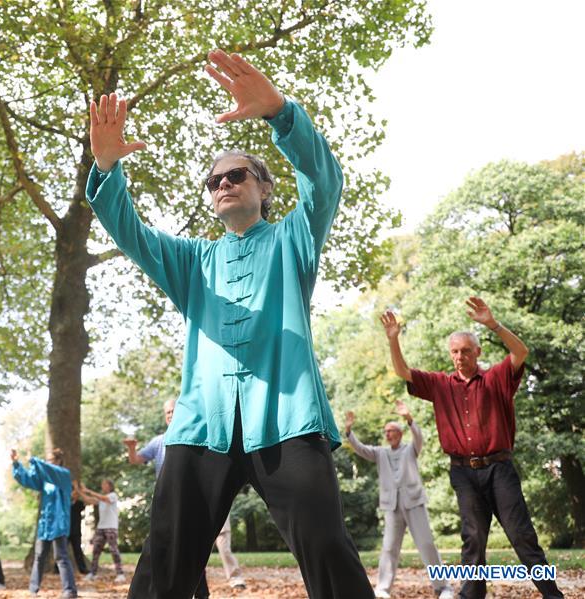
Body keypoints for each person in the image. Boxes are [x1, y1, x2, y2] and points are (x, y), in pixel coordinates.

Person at [89, 49, 372, 599]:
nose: (223, 183)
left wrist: (280, 113)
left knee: (325, 546)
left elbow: (324, 179)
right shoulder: (193, 262)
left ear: (265, 188)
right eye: (214, 179)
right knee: (165, 555)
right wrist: (106, 169)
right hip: (202, 427)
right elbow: (131, 233)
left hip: (288, 419)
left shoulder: (293, 240)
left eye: (236, 174)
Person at [381, 297, 564, 599]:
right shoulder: (440, 384)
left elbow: (521, 351)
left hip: (499, 469)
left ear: (478, 352)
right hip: (463, 472)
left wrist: (493, 324)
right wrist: (393, 340)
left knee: (521, 536)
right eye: (455, 351)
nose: (460, 356)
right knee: (473, 539)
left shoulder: (497, 378)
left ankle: (553, 595)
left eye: (466, 351)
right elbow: (403, 371)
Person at [124, 399, 245, 596]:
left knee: (204, 542)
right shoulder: (159, 441)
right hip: (170, 501)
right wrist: (131, 447)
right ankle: (194, 591)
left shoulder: (197, 434)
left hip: (198, 498)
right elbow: (136, 459)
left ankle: (219, 585)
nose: (171, 415)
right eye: (167, 412)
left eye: (174, 411)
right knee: (174, 546)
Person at [344, 401, 453, 599]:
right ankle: (383, 589)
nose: (387, 434)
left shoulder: (410, 449)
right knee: (389, 548)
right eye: (385, 431)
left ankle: (443, 587)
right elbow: (360, 449)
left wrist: (409, 418)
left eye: (391, 430)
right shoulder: (380, 453)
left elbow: (419, 437)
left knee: (427, 544)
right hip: (392, 506)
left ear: (400, 433)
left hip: (414, 502)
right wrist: (349, 431)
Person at [12, 447, 77, 598]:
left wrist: (34, 460)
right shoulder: (45, 481)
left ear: (58, 461)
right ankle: (33, 589)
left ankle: (69, 590)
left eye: (50, 460)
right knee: (39, 556)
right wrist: (16, 464)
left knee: (61, 557)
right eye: (46, 460)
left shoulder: (64, 476)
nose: (47, 463)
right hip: (45, 524)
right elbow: (27, 479)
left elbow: (50, 470)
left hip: (59, 524)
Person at [80, 479, 125, 583]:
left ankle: (120, 574)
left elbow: (104, 498)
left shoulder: (113, 495)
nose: (102, 486)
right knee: (96, 550)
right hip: (101, 527)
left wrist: (88, 490)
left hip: (111, 527)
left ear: (110, 486)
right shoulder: (101, 499)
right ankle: (92, 573)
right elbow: (88, 500)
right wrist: (79, 490)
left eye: (104, 484)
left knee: (113, 550)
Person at [69, 483, 90, 574]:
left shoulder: (79, 504)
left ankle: (82, 568)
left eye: (76, 494)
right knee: (62, 551)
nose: (75, 495)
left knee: (78, 551)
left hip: (76, 531)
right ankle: (56, 569)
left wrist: (80, 491)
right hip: (65, 531)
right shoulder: (66, 503)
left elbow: (88, 501)